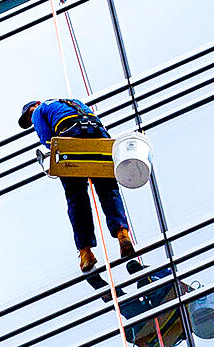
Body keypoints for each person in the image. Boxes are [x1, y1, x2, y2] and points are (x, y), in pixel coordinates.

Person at [19, 99, 145, 280]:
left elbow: (47, 138)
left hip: (71, 136)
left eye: (29, 114)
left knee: (76, 197)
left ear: (36, 104)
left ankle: (86, 252)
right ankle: (122, 235)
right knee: (108, 190)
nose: (31, 119)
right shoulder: (72, 102)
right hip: (98, 134)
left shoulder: (40, 110)